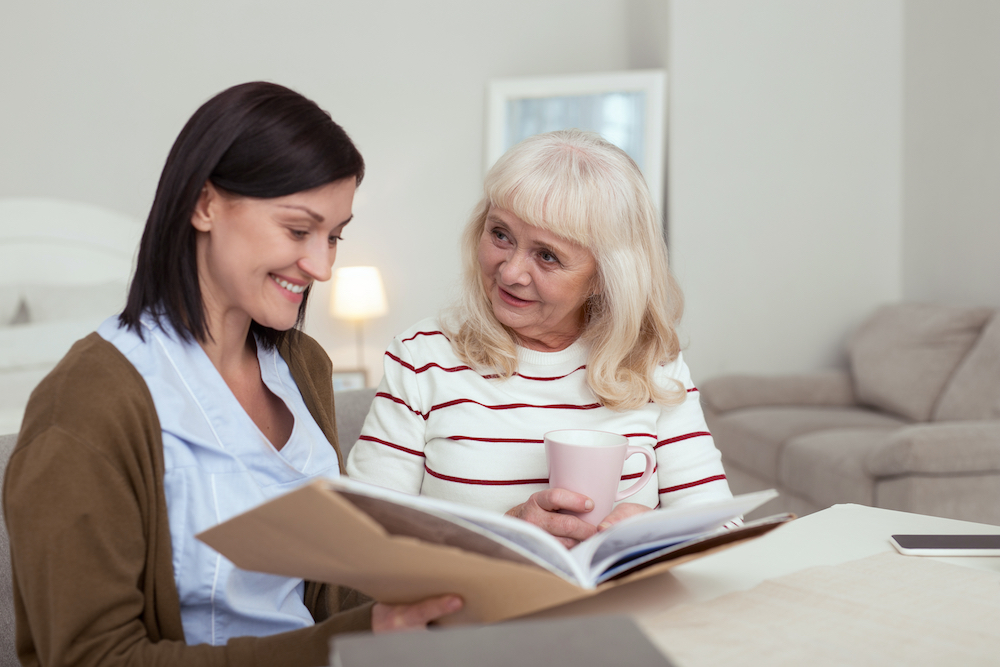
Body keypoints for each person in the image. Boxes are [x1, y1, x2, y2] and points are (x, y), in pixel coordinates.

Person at [2, 82, 461, 667]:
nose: (322, 266)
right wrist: (345, 641)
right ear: (204, 205)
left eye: (335, 236)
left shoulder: (303, 366)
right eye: (298, 230)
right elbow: (92, 658)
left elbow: (326, 592)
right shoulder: (88, 406)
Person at [347, 129, 734, 548]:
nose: (510, 272)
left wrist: (657, 535)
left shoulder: (651, 364)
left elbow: (724, 530)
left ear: (604, 278)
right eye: (500, 235)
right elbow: (363, 538)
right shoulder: (422, 356)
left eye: (547, 255)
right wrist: (501, 538)